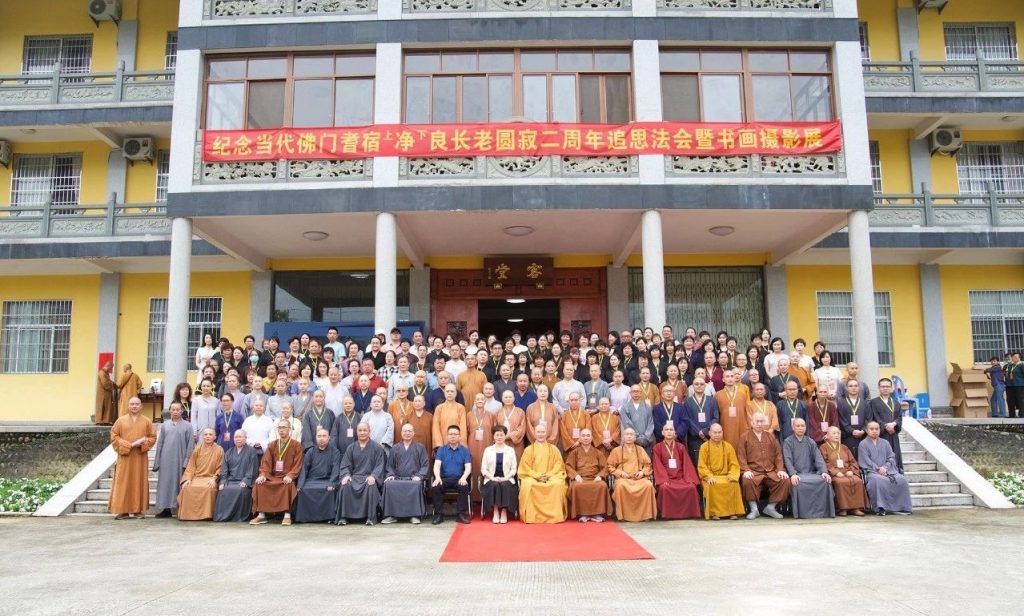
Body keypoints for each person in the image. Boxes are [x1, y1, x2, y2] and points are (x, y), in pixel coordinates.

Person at [108, 397, 157, 519]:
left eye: (137, 404)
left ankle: (137, 510)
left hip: (140, 457)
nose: (134, 406)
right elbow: (114, 437)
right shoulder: (120, 421)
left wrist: (143, 443)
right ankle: (122, 510)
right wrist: (130, 445)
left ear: (141, 406)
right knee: (123, 482)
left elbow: (152, 437)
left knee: (138, 481)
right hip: (125, 457)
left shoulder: (146, 421)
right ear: (128, 406)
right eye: (132, 404)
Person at [737, 413, 790, 520]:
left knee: (785, 480)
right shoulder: (744, 437)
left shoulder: (770, 436)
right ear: (752, 422)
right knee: (747, 480)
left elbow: (778, 454)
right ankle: (754, 509)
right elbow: (741, 455)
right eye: (757, 421)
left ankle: (771, 507)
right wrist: (746, 470)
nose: (759, 424)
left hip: (770, 471)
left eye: (762, 421)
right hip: (753, 471)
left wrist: (780, 469)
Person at [250, 420, 304, 526]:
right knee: (260, 484)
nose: (282, 430)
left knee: (288, 485)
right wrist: (263, 475)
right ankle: (261, 515)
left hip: (287, 477)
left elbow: (298, 464)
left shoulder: (296, 445)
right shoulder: (272, 445)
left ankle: (287, 515)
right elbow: (265, 462)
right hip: (273, 476)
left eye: (284, 427)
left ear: (290, 429)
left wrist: (290, 475)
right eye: (279, 428)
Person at [782, 418, 835, 519]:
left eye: (802, 426)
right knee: (798, 483)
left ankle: (823, 512)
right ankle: (803, 513)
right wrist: (792, 474)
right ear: (793, 428)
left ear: (806, 427)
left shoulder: (810, 441)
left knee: (825, 481)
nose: (800, 428)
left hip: (811, 473)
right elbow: (787, 459)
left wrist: (824, 472)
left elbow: (818, 458)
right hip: (798, 474)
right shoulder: (788, 442)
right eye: (798, 426)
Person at [335, 422, 386, 525]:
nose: (362, 432)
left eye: (365, 430)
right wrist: (346, 475)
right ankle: (344, 517)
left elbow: (380, 465)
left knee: (370, 486)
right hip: (354, 478)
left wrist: (373, 476)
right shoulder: (351, 447)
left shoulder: (377, 448)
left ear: (369, 432)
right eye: (360, 430)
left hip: (368, 478)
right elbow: (345, 464)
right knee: (345, 485)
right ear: (356, 432)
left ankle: (370, 517)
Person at [858, 421, 913, 516]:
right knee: (877, 480)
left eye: (877, 429)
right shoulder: (863, 444)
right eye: (871, 429)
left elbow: (891, 457)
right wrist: (878, 469)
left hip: (889, 470)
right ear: (866, 431)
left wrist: (885, 467)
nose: (874, 431)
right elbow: (866, 461)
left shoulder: (885, 442)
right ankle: (880, 507)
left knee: (901, 480)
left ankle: (902, 507)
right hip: (873, 472)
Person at [517, 423, 567, 523]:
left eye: (543, 432)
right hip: (533, 478)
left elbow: (558, 465)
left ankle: (555, 516)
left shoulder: (554, 449)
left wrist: (548, 475)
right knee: (528, 484)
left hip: (551, 477)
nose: (541, 434)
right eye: (538, 432)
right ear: (534, 434)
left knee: (558, 484)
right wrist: (537, 476)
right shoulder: (528, 450)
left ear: (547, 433)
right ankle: (532, 516)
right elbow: (525, 468)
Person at [381, 423, 430, 524]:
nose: (407, 433)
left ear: (413, 433)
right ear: (401, 433)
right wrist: (391, 475)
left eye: (409, 431)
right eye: (405, 431)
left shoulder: (420, 447)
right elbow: (390, 466)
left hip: (413, 479)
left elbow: (425, 465)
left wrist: (419, 476)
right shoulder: (395, 448)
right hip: (398, 478)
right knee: (388, 484)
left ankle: (414, 515)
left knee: (416, 484)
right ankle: (392, 515)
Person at [152, 402, 195, 518]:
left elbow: (190, 445)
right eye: (173, 410)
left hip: (180, 458)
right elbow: (160, 444)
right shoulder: (165, 425)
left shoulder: (188, 426)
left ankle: (180, 508)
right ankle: (165, 508)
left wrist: (187, 461)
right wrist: (157, 461)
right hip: (166, 459)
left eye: (178, 410)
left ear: (182, 411)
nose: (175, 412)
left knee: (178, 482)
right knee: (165, 483)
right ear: (170, 411)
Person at [607, 427, 657, 522]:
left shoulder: (640, 450)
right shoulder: (616, 450)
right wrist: (620, 473)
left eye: (631, 435)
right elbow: (610, 466)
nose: (629, 436)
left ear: (635, 438)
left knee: (648, 485)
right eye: (627, 434)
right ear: (623, 437)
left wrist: (642, 472)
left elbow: (648, 464)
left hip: (638, 479)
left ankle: (645, 515)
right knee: (620, 486)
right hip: (623, 479)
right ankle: (623, 516)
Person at [652, 424, 701, 520]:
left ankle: (689, 513)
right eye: (666, 430)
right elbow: (657, 465)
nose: (669, 432)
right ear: (662, 432)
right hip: (667, 478)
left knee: (691, 487)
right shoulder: (657, 447)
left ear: (675, 433)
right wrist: (663, 479)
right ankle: (667, 514)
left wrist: (689, 479)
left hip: (680, 478)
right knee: (664, 488)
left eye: (671, 430)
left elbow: (687, 464)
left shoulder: (680, 447)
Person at [697, 423, 745, 520]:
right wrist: (709, 477)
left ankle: (732, 512)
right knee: (713, 484)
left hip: (726, 476)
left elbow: (734, 464)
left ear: (722, 433)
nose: (717, 435)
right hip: (710, 477)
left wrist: (732, 475)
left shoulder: (728, 446)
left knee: (734, 484)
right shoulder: (704, 447)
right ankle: (714, 513)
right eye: (715, 432)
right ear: (710, 433)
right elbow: (702, 466)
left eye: (719, 432)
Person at [563, 428, 612, 523]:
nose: (586, 438)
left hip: (595, 478)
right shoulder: (575, 452)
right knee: (576, 486)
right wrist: (576, 475)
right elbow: (568, 466)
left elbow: (605, 467)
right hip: (580, 478)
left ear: (592, 438)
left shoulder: (598, 452)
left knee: (602, 485)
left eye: (588, 436)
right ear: (580, 438)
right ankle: (582, 513)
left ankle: (597, 513)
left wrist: (600, 476)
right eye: (584, 436)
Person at [294, 427, 342, 523]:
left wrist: (332, 483)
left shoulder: (335, 452)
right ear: (315, 438)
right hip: (311, 480)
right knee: (303, 490)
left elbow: (336, 470)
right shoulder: (310, 452)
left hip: (327, 480)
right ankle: (305, 517)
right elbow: (304, 469)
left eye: (324, 436)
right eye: (319, 436)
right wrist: (300, 484)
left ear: (329, 438)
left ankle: (328, 518)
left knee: (330, 491)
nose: (321, 438)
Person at [176, 428, 224, 521]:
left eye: (210, 434)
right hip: (196, 478)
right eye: (206, 434)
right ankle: (187, 515)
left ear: (215, 437)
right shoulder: (197, 449)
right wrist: (188, 479)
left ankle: (206, 515)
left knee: (208, 489)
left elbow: (221, 467)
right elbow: (191, 466)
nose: (208, 436)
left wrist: (214, 479)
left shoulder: (219, 450)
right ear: (203, 436)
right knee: (186, 488)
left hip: (210, 478)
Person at [820, 426, 867, 516]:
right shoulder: (823, 447)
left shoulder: (844, 447)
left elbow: (852, 461)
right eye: (833, 433)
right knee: (840, 482)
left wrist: (852, 471)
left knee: (858, 481)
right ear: (827, 435)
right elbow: (824, 462)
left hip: (847, 471)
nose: (836, 435)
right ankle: (843, 508)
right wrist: (835, 472)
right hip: (834, 474)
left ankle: (856, 508)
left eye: (838, 433)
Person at [214, 429, 260, 522]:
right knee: (223, 490)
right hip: (230, 481)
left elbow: (253, 469)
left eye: (240, 437)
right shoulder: (229, 452)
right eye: (236, 437)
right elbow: (224, 469)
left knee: (241, 490)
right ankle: (223, 517)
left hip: (243, 482)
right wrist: (223, 481)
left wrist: (246, 480)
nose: (238, 439)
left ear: (245, 438)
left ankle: (238, 517)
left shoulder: (252, 451)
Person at [431, 425, 473, 525]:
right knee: (436, 486)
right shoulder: (441, 450)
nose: (453, 436)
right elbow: (437, 465)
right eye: (450, 434)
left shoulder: (465, 450)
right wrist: (437, 477)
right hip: (444, 479)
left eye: (455, 434)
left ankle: (460, 514)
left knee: (464, 486)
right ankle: (439, 514)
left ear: (459, 436)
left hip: (459, 478)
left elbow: (468, 467)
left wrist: (464, 478)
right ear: (447, 436)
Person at [481, 425, 519, 524]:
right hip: (491, 478)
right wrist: (492, 477)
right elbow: (483, 469)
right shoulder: (488, 450)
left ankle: (504, 511)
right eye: (497, 435)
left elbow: (514, 468)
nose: (499, 437)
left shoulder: (510, 450)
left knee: (504, 485)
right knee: (494, 485)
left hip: (507, 478)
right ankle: (495, 511)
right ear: (493, 436)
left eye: (501, 435)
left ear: (505, 436)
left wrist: (506, 478)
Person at [867, 378, 904, 471]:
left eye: (887, 386)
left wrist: (894, 424)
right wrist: (885, 426)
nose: (885, 388)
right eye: (883, 386)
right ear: (879, 388)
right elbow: (874, 417)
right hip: (881, 435)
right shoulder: (873, 402)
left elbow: (899, 417)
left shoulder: (896, 403)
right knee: (882, 457)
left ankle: (896, 473)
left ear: (891, 388)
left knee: (895, 455)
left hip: (893, 434)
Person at [684, 377, 718, 466]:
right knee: (696, 461)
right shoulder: (688, 402)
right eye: (696, 384)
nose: (699, 386)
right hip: (694, 437)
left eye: (702, 384)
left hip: (710, 436)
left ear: (705, 386)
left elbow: (716, 417)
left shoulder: (712, 400)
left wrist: (706, 430)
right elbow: (687, 419)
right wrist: (698, 432)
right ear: (692, 386)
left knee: (710, 461)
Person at [715, 370, 748, 451]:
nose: (730, 379)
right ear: (723, 379)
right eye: (727, 376)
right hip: (726, 426)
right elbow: (717, 414)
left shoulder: (742, 394)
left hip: (741, 426)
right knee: (727, 448)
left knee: (741, 448)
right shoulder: (718, 395)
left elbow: (746, 412)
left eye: (732, 376)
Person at [620, 385, 655, 457]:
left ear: (641, 393)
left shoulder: (647, 407)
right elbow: (627, 423)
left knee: (647, 462)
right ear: (630, 393)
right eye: (633, 391)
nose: (635, 393)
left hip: (646, 441)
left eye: (638, 391)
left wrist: (646, 437)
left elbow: (651, 423)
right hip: (632, 440)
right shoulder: (625, 407)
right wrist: (636, 436)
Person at [432, 384, 468, 451]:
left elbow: (463, 427)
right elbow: (436, 428)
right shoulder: (439, 408)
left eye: (452, 391)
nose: (450, 393)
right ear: (444, 393)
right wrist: (439, 444)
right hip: (443, 443)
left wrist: (461, 443)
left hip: (457, 444)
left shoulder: (460, 408)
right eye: (447, 391)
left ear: (456, 393)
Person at [837, 379, 867, 458]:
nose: (853, 388)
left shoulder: (865, 403)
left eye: (855, 386)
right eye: (850, 386)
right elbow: (841, 419)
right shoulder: (841, 403)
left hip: (863, 436)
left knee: (862, 457)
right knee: (849, 457)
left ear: (859, 388)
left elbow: (868, 418)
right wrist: (852, 431)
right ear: (846, 388)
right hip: (848, 436)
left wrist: (863, 430)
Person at [776, 381, 808, 445]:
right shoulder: (780, 404)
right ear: (785, 391)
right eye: (790, 389)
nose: (792, 392)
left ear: (797, 390)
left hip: (801, 436)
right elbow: (779, 423)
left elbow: (807, 421)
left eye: (794, 389)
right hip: (786, 435)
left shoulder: (803, 404)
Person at [95, 360, 115, 425]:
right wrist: (112, 384)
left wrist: (112, 383)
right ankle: (101, 421)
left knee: (106, 407)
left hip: (106, 393)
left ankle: (105, 421)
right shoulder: (102, 373)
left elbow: (107, 381)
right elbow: (105, 383)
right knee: (102, 407)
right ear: (108, 366)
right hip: (103, 393)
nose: (111, 369)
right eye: (111, 368)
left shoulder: (105, 373)